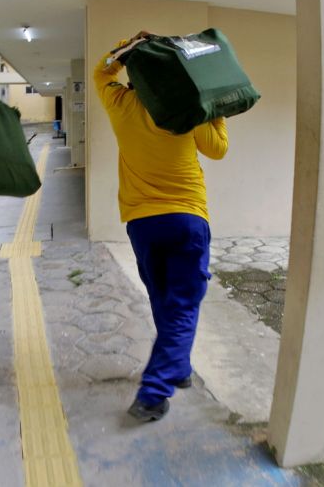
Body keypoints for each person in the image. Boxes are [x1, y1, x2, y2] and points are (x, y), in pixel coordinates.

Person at [94, 32, 229, 421]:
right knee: (183, 304)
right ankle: (154, 393)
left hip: (142, 223)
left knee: (163, 297)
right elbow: (218, 149)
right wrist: (213, 106)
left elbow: (101, 73)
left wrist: (127, 45)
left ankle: (178, 367)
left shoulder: (121, 102)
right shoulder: (186, 107)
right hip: (187, 217)